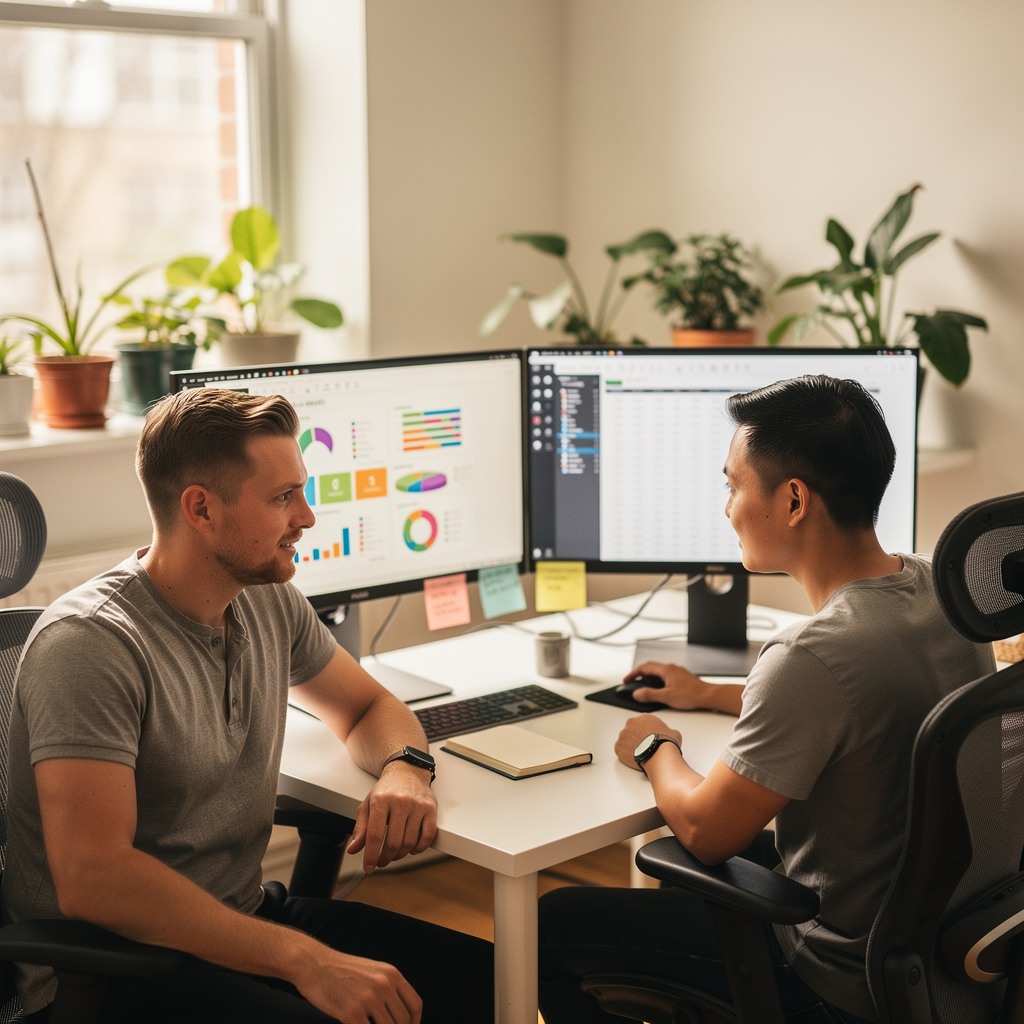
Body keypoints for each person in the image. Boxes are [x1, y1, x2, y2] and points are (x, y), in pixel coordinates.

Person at [2, 387, 493, 1024]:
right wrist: (306, 960)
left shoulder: (262, 597)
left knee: (488, 984)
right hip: (111, 971)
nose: (308, 517)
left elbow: (369, 706)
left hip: (240, 926)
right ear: (201, 509)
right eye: (283, 497)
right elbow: (95, 878)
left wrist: (406, 768)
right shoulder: (91, 646)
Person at [537, 374, 996, 1024]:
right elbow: (860, 706)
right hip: (944, 961)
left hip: (835, 971)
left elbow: (702, 832)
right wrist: (706, 695)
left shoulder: (809, 656)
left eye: (733, 484)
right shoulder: (943, 591)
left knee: (551, 927)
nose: (727, 508)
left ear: (794, 500)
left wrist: (654, 746)